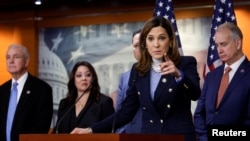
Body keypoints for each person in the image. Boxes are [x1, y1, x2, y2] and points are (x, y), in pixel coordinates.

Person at [70, 16, 201, 141]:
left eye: (161, 38)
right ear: (145, 43)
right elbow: (125, 113)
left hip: (178, 137)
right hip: (151, 137)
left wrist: (178, 75)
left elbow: (195, 94)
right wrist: (91, 130)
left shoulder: (185, 63)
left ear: (171, 41)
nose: (156, 44)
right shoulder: (138, 70)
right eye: (150, 39)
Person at [194, 23, 250, 141]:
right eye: (217, 45)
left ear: (238, 43)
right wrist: (205, 138)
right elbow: (199, 113)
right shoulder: (211, 76)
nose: (219, 50)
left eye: (223, 44)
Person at [0, 44, 53, 141]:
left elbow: (42, 127)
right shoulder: (1, 91)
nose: (11, 61)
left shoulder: (42, 89)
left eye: (16, 57)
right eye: (8, 57)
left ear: (26, 61)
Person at [54, 61, 115, 133]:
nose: (84, 78)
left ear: (93, 79)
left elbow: (109, 130)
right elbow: (57, 131)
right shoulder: (64, 104)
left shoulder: (104, 102)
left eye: (88, 75)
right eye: (79, 75)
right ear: (73, 80)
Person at [115, 29, 142, 133]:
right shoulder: (125, 77)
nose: (139, 48)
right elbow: (120, 109)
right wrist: (121, 132)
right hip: (130, 133)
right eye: (136, 45)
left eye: (142, 44)